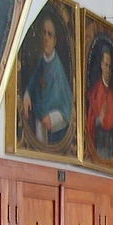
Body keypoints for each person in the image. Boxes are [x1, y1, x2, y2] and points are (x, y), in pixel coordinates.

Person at [21, 16, 73, 144]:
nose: (46, 38)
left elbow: (67, 108)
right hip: (39, 121)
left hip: (52, 129)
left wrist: (53, 117)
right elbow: (33, 83)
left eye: (49, 34)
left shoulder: (57, 68)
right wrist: (27, 95)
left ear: (55, 40)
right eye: (44, 33)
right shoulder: (41, 61)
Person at [86, 46, 113, 159]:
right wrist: (98, 120)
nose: (108, 70)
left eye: (110, 67)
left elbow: (112, 117)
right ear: (101, 65)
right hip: (99, 141)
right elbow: (90, 121)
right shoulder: (94, 93)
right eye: (106, 65)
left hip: (110, 142)